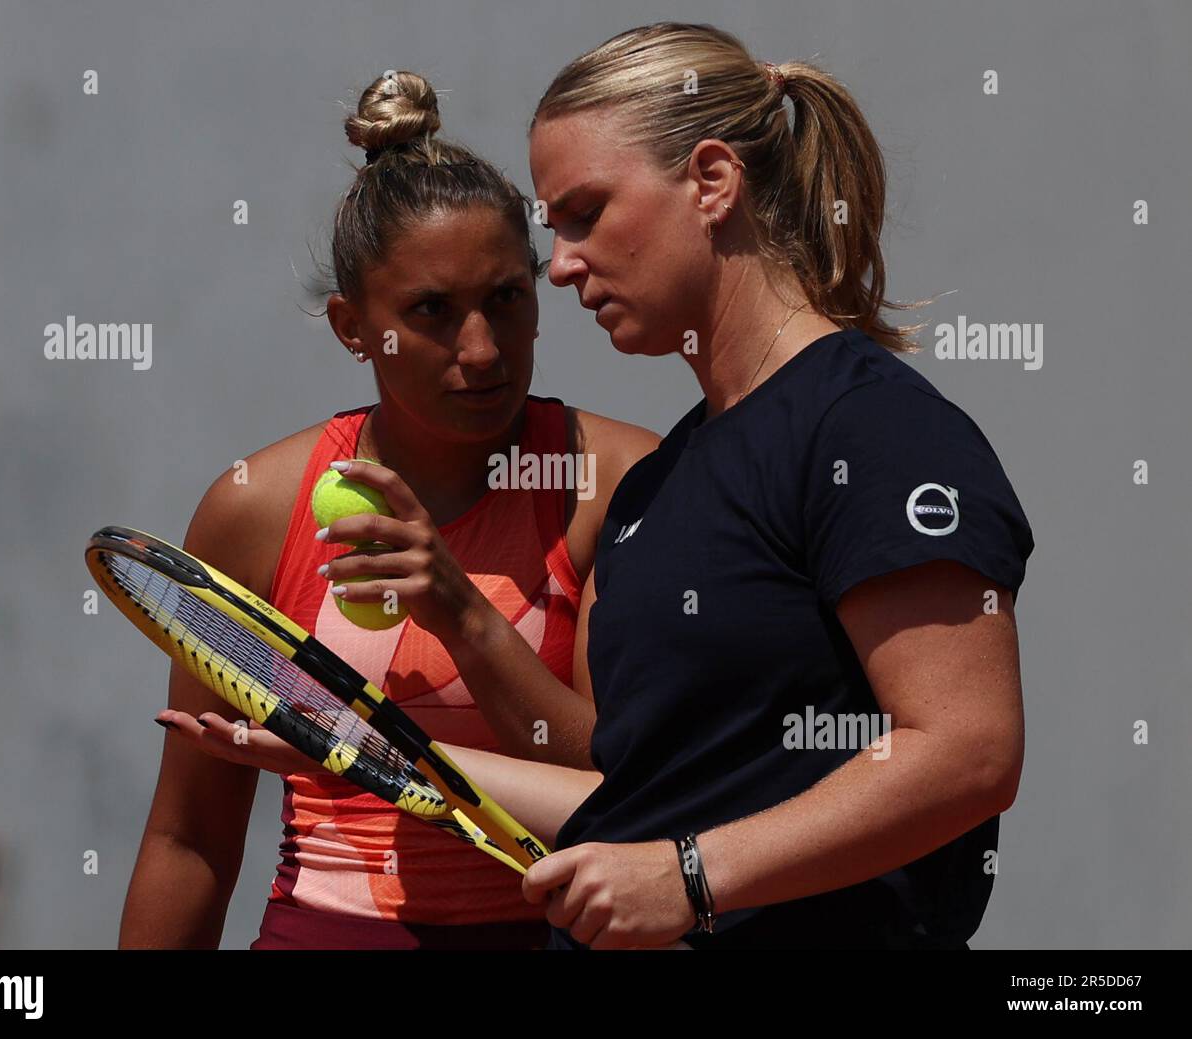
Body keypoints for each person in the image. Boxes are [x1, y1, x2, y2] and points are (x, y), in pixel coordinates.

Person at [176, 21, 1035, 951]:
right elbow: (630, 795)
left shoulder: (872, 429)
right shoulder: (663, 483)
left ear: (712, 182)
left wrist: (693, 877)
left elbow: (967, 751)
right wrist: (366, 751)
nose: (563, 261)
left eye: (586, 212)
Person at [117, 69, 658, 950]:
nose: (480, 350)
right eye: (432, 312)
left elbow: (627, 790)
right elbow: (190, 838)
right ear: (351, 326)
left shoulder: (620, 480)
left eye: (506, 300)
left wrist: (460, 612)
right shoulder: (257, 508)